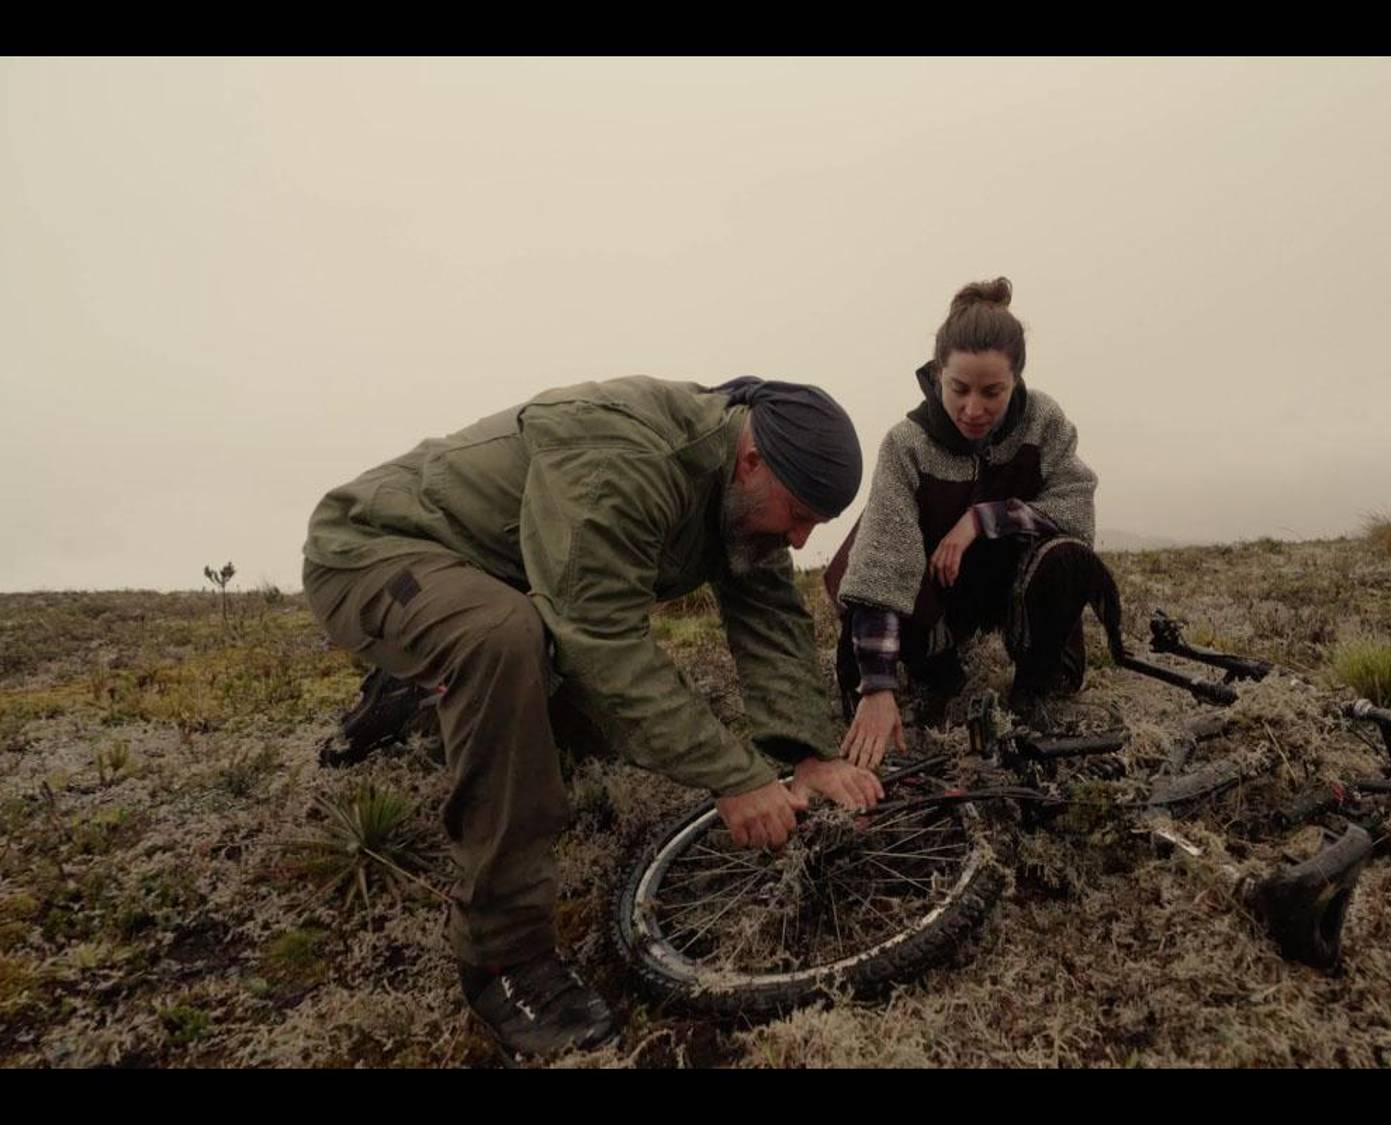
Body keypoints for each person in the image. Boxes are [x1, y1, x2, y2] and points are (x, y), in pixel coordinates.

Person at [301, 374, 883, 1059]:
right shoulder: (628, 459)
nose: (802, 535)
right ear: (753, 461)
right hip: (373, 549)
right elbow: (599, 638)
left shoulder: (742, 481)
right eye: (799, 513)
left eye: (817, 522)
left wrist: (806, 753)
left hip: (501, 576)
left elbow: (769, 616)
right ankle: (502, 957)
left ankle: (416, 699)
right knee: (501, 640)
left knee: (586, 730)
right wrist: (735, 776)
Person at [825, 278, 1115, 771]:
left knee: (1065, 555)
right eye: (959, 389)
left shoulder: (1044, 421)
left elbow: (1076, 514)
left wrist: (984, 518)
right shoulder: (905, 444)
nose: (973, 409)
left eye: (992, 392)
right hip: (936, 592)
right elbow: (880, 564)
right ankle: (933, 667)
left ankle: (1035, 681)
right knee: (880, 561)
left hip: (1006, 575)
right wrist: (876, 684)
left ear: (1017, 379)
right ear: (938, 374)